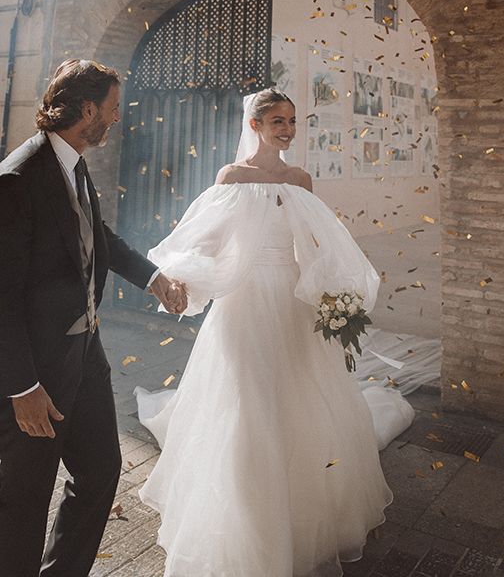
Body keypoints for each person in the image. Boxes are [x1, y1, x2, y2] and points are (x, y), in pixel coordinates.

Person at [135, 88, 410, 577]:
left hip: (291, 301)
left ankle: (302, 515)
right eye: (276, 121)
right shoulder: (232, 178)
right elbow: (205, 240)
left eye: (292, 121)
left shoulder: (301, 180)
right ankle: (247, 517)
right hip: (243, 302)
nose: (286, 129)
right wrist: (183, 278)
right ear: (255, 126)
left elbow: (316, 247)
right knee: (247, 399)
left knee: (299, 397)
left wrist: (332, 295)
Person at [0, 59, 188, 577]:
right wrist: (22, 387)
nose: (117, 118)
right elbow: (3, 297)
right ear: (87, 109)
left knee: (102, 471)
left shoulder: (74, 162)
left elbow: (96, 235)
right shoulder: (18, 178)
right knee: (23, 499)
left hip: (86, 355)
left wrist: (156, 278)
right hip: (38, 372)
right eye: (112, 109)